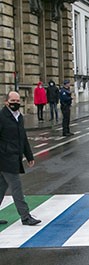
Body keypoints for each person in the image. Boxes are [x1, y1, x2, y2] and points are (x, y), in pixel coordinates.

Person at [0, 91, 41, 226]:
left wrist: (29, 155)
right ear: (6, 102)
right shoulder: (2, 117)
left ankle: (25, 216)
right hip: (5, 158)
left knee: (1, 187)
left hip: (14, 157)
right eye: (13, 101)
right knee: (16, 187)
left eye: (17, 101)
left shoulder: (19, 117)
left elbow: (22, 137)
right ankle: (25, 216)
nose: (15, 103)